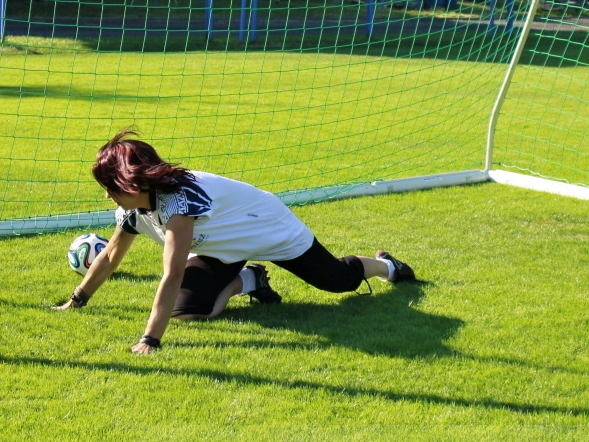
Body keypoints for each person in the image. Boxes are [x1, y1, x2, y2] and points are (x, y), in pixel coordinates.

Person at [54, 130, 417, 354]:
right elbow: (110, 256)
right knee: (187, 310)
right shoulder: (133, 209)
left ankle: (388, 266)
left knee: (336, 281)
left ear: (133, 182)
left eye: (110, 187)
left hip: (268, 230)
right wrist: (76, 301)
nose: (107, 196)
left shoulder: (179, 202)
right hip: (220, 250)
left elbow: (172, 274)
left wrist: (149, 340)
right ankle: (250, 279)